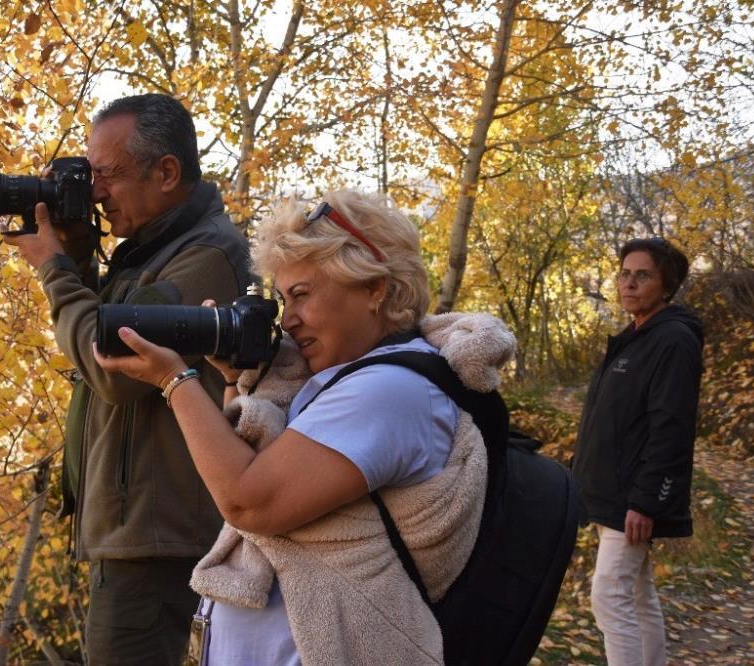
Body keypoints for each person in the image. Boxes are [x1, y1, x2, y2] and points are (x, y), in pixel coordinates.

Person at [94, 191, 517, 663]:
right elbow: (257, 469)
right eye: (281, 298)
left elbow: (249, 501)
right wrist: (234, 380)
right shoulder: (350, 381)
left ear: (374, 288)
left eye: (301, 294)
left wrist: (174, 380)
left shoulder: (390, 392)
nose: (288, 319)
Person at [3, 93, 253, 664]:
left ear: (166, 172)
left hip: (157, 537)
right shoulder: (149, 253)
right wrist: (80, 258)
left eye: (106, 175)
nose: (93, 192)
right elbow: (106, 336)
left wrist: (52, 269)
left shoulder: (207, 256)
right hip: (138, 530)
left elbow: (111, 365)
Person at [572, 238, 703, 666]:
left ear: (667, 285)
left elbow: (672, 427)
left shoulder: (673, 340)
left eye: (642, 275)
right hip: (611, 492)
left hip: (632, 497)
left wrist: (647, 500)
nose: (628, 283)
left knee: (609, 597)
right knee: (636, 593)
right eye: (625, 273)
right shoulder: (635, 336)